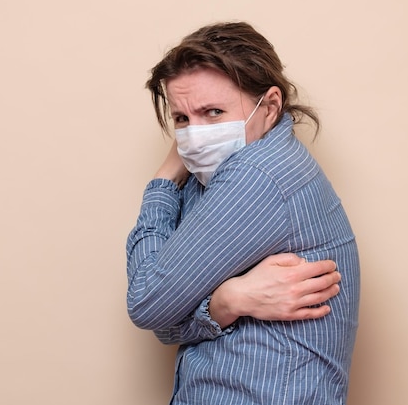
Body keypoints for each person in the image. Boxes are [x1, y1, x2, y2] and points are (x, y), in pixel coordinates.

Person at [126, 21, 360, 405]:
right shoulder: (214, 176)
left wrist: (164, 179)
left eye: (213, 112)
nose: (192, 137)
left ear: (269, 107)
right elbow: (167, 323)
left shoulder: (257, 174)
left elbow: (147, 302)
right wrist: (226, 302)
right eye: (182, 119)